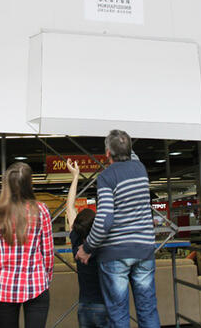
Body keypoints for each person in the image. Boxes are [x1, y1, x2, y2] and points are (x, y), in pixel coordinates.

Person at [75, 129, 160, 328]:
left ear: (107, 153)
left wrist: (87, 248)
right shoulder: (141, 169)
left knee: (119, 316)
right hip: (144, 250)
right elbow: (129, 152)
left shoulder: (106, 177)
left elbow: (104, 220)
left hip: (115, 255)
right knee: (148, 311)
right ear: (129, 150)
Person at [0, 162, 54, 328]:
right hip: (36, 284)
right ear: (29, 183)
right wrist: (45, 279)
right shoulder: (41, 210)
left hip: (5, 285)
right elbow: (47, 252)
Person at [66, 158, 108, 328]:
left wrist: (75, 176)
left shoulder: (76, 240)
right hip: (104, 306)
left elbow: (69, 208)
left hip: (84, 307)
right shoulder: (103, 244)